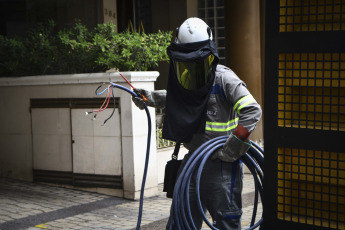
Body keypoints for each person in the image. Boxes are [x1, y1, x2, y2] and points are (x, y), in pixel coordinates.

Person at [132, 17, 262, 230]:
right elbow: (178, 96)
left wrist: (232, 148)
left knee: (226, 223)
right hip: (193, 161)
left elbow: (252, 111)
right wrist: (150, 97)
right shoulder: (185, 76)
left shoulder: (224, 79)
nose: (191, 66)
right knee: (181, 221)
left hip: (222, 166)